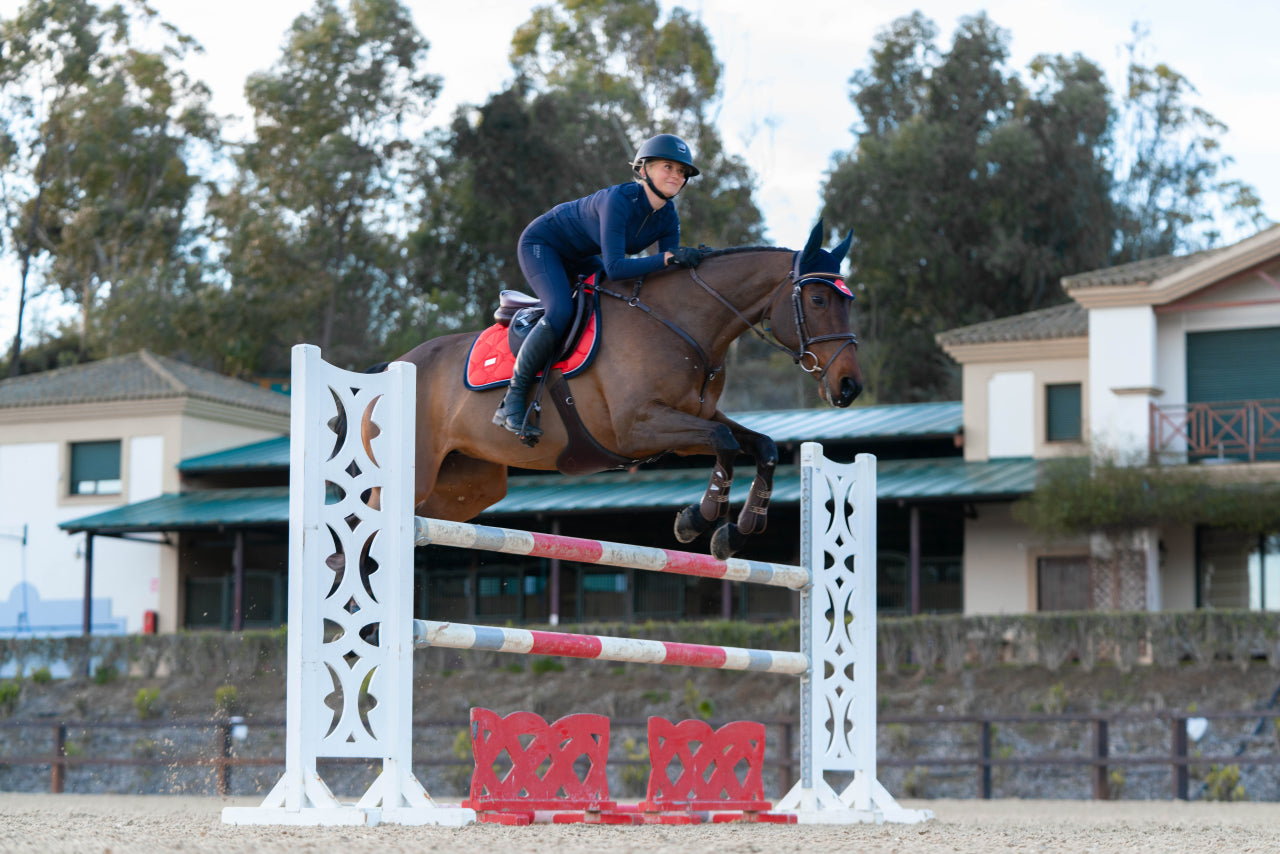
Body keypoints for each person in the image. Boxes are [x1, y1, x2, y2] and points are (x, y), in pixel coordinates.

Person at [493, 133, 706, 441]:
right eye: (668, 167)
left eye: (682, 172)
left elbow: (664, 272)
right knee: (561, 309)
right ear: (643, 169)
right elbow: (617, 268)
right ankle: (512, 400)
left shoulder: (668, 216)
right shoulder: (619, 201)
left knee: (614, 301)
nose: (676, 176)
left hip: (581, 255)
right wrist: (670, 259)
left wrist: (690, 263)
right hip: (543, 245)